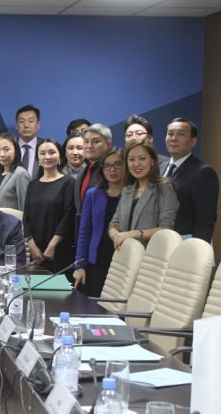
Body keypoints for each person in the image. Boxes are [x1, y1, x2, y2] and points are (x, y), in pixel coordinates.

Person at [73, 148, 125, 297]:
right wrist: (80, 265)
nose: (112, 170)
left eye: (117, 164)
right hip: (96, 259)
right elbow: (84, 232)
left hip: (122, 259)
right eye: (107, 165)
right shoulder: (93, 194)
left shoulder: (131, 193)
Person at [108, 141, 179, 250]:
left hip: (152, 254)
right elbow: (112, 225)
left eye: (142, 158)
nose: (136, 164)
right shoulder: (127, 190)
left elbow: (166, 228)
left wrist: (134, 234)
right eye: (131, 159)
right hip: (126, 253)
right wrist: (116, 236)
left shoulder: (164, 187)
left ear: (152, 161)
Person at [160, 117, 219, 242]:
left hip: (186, 241)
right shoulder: (160, 169)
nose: (174, 138)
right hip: (159, 241)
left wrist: (196, 248)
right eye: (170, 134)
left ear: (193, 141)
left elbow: (205, 219)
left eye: (181, 134)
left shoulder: (203, 172)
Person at [22, 139, 76, 274]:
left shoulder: (69, 183)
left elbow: (69, 216)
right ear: (38, 159)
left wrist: (52, 245)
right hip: (36, 252)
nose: (47, 157)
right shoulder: (33, 185)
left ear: (60, 157)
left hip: (59, 250)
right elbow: (26, 219)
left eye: (52, 152)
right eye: (42, 153)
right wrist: (32, 247)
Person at [74, 124, 113, 233]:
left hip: (105, 232)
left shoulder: (112, 171)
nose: (89, 146)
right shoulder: (82, 171)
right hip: (83, 231)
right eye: (86, 141)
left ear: (108, 144)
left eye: (96, 141)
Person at [0, 132, 30, 210]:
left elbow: (25, 208)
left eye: (6, 149)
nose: (2, 154)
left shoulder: (20, 174)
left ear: (16, 150)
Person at [15, 104, 41, 177]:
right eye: (21, 121)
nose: (26, 125)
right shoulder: (9, 146)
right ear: (16, 125)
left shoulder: (45, 146)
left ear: (38, 124)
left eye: (31, 121)